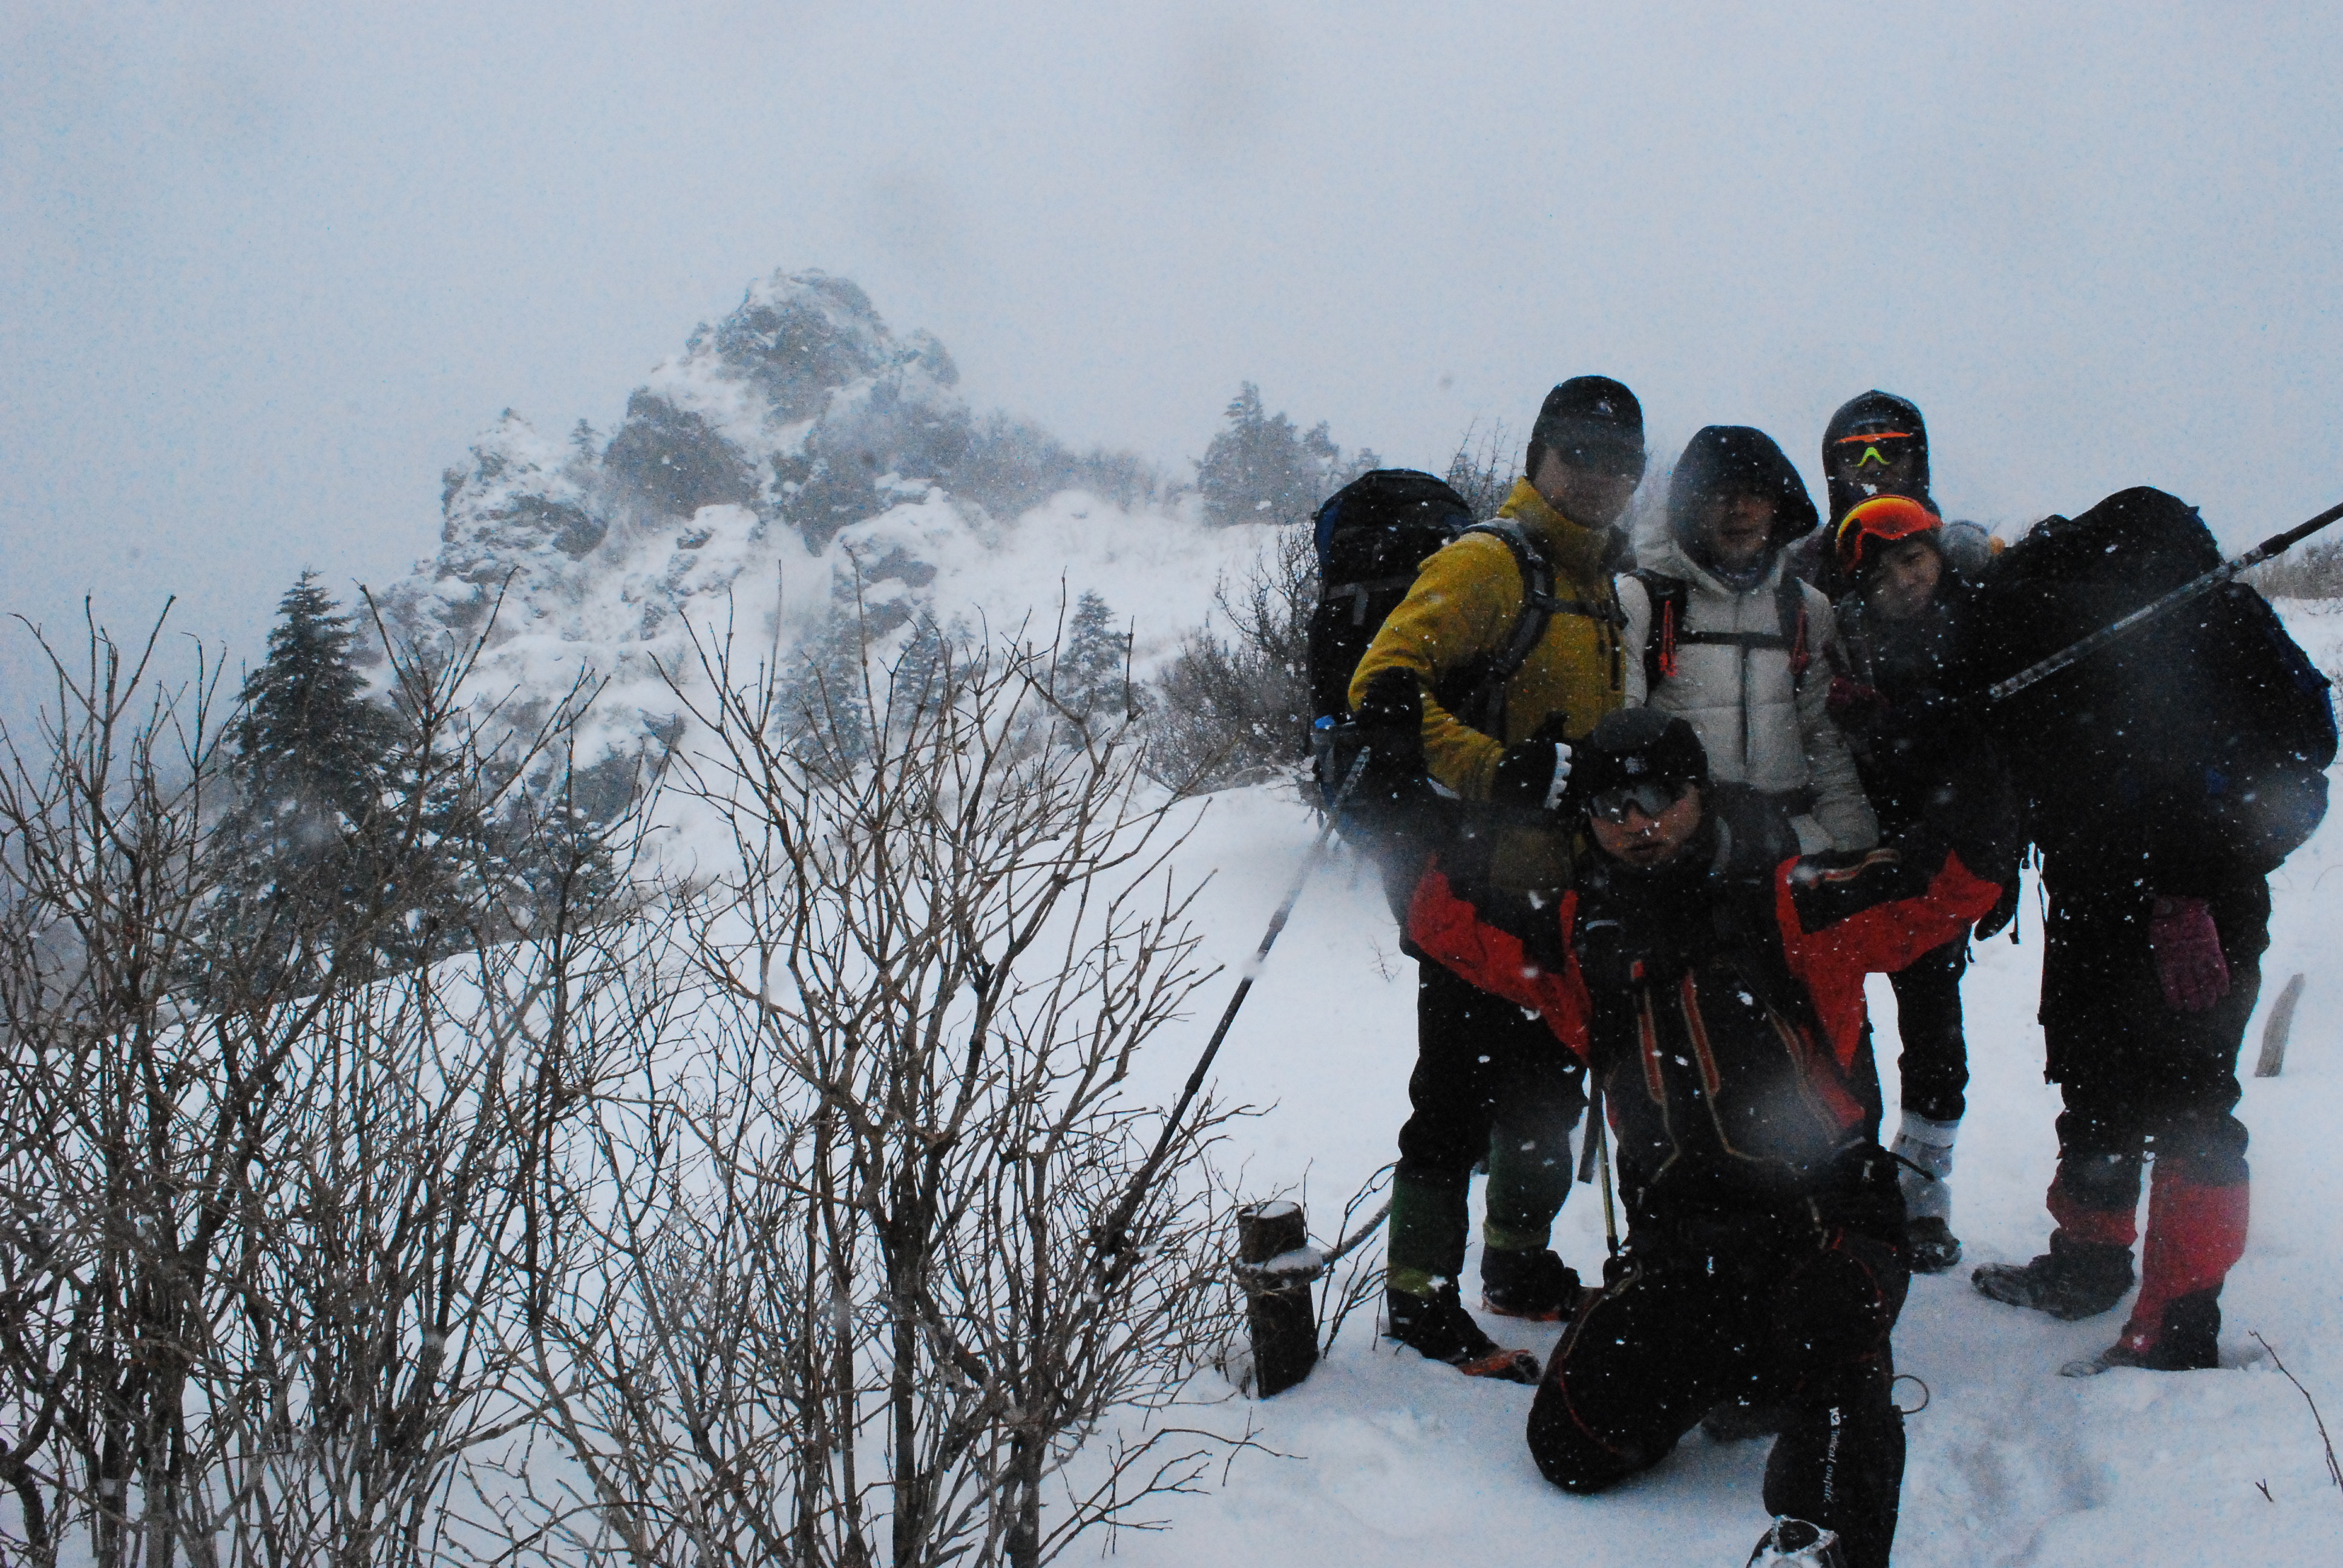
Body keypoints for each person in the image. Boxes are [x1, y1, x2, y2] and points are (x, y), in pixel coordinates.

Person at [1405, 708, 2010, 1568]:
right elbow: (1441, 918)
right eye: (1611, 807)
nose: (1637, 823)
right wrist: (1414, 798)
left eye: (1659, 797)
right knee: (1573, 1445)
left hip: (1824, 1231)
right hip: (1685, 1251)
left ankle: (1816, 1539)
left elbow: (1946, 884)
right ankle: (1743, 1372)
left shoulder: (1790, 901)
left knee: (1827, 1324)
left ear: (1700, 794)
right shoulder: (1577, 942)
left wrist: (1974, 751)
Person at [1970, 486, 2332, 1371]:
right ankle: (2092, 1263)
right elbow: (2008, 729)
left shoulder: (2225, 624)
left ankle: (2177, 1319)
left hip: (2196, 907)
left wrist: (2199, 870)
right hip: (2100, 892)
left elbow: (2301, 764)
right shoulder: (2065, 623)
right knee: (2102, 1084)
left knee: (2186, 1101)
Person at [1347, 377, 1644, 1376]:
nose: (1597, 475)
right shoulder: (1488, 562)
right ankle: (1419, 1301)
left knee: (1548, 1098)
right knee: (1453, 1103)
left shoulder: (1600, 581)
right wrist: (1495, 771)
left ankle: (1518, 1267)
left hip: (1565, 898)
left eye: (1619, 459)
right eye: (1578, 453)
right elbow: (1382, 684)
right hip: (1472, 889)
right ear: (1538, 458)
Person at [1823, 495, 2011, 1272]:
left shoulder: (1982, 632)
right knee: (1840, 1029)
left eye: (1913, 560)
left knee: (1933, 1033)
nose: (1903, 581)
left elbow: (2001, 767)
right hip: (1850, 857)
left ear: (1936, 555)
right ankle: (1854, 1186)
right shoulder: (1841, 640)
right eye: (1882, 573)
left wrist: (1994, 862)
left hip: (1938, 870)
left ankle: (1923, 1200)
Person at [1620, 425, 1878, 857]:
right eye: (1720, 494)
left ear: (1779, 507)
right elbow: (1624, 743)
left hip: (1793, 843)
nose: (1738, 509)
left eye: (1755, 494)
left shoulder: (1805, 608)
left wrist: (1852, 844)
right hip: (1683, 849)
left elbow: (1822, 740)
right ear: (1691, 507)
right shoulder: (1645, 601)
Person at [1792, 391, 1936, 601]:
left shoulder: (1954, 554)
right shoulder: (1803, 567)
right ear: (1835, 468)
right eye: (1854, 453)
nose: (1873, 466)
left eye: (1890, 449)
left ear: (1916, 461)